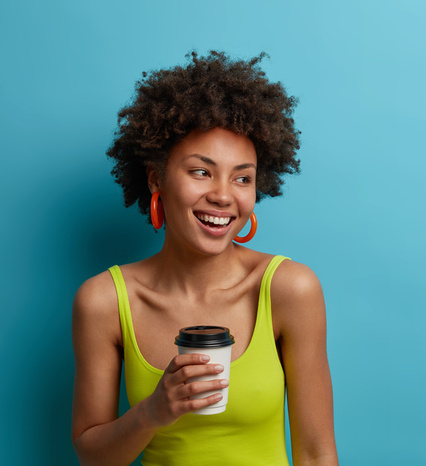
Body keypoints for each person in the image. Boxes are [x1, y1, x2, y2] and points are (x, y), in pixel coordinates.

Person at [71, 51, 338, 466]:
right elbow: (92, 455)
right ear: (156, 177)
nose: (224, 195)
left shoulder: (290, 288)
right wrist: (152, 412)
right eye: (201, 171)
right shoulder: (104, 300)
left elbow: (316, 453)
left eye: (242, 177)